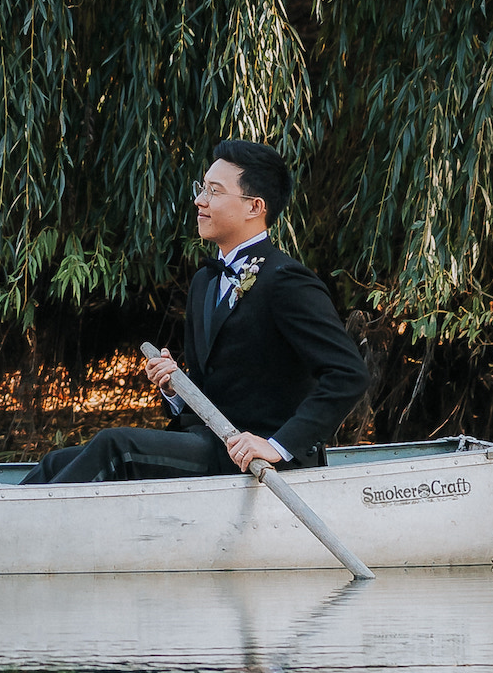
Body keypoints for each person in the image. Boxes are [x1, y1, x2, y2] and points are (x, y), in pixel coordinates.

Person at [25, 138, 365, 485]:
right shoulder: (205, 280)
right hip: (208, 442)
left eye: (214, 192)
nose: (199, 201)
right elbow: (214, 388)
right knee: (55, 462)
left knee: (115, 445)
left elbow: (348, 374)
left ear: (254, 207)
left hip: (258, 459)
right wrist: (175, 389)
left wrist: (277, 446)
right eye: (202, 188)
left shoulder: (287, 281)